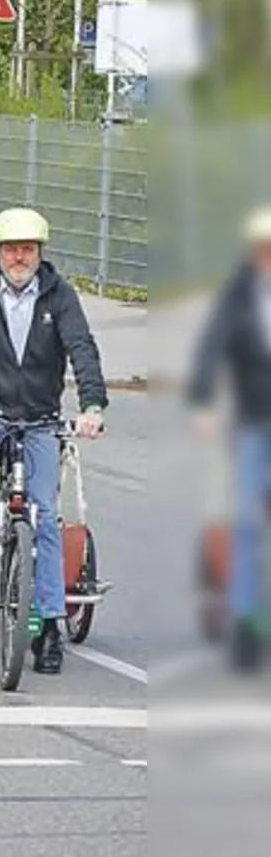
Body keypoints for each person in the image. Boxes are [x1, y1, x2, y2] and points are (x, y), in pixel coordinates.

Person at [0, 207, 107, 676]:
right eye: (11, 249)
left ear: (40, 253)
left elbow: (81, 348)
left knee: (45, 516)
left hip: (38, 414)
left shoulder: (59, 295)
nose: (19, 257)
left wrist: (93, 406)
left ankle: (50, 624)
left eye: (27, 249)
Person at [187, 205, 271, 672]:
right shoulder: (238, 297)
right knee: (246, 523)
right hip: (255, 422)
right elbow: (212, 345)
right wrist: (201, 402)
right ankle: (245, 621)